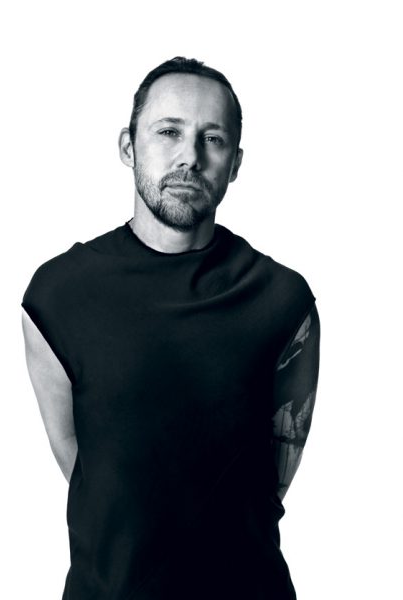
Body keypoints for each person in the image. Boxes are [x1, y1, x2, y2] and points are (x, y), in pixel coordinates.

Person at [21, 56, 321, 600]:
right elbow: (85, 463)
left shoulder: (282, 299)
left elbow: (275, 472)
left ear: (235, 163)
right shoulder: (59, 294)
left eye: (213, 138)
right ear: (128, 146)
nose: (190, 157)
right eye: (169, 132)